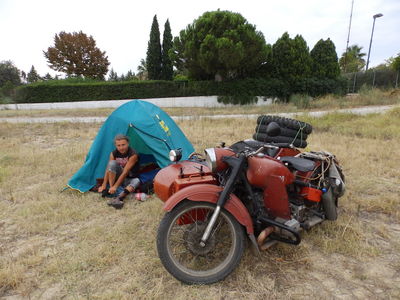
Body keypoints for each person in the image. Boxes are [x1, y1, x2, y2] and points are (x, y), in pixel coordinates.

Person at [98, 134, 140, 209]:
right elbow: (109, 169)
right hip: (117, 178)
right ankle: (113, 190)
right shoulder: (113, 153)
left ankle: (118, 194)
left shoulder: (133, 154)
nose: (121, 147)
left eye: (123, 145)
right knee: (111, 163)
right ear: (115, 145)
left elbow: (125, 172)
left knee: (137, 181)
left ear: (128, 144)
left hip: (128, 178)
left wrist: (115, 186)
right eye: (118, 145)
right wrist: (104, 185)